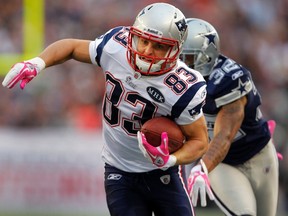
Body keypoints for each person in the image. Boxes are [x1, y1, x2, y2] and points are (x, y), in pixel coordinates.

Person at [2, 3, 209, 216]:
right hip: (120, 172)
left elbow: (199, 141)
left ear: (175, 49)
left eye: (158, 46)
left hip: (162, 174)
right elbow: (72, 47)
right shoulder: (116, 46)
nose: (147, 50)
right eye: (143, 40)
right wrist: (37, 63)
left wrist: (169, 160)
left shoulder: (184, 87)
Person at [181, 18, 279, 216]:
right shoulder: (174, 82)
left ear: (205, 56)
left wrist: (201, 168)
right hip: (222, 164)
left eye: (187, 58)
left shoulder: (229, 79)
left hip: (258, 155)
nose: (180, 65)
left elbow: (224, 136)